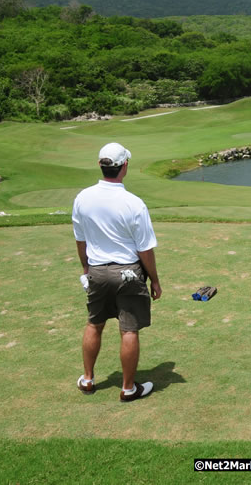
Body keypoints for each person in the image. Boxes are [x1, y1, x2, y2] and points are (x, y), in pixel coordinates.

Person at [72, 142, 162, 402]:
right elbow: (145, 250)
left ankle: (88, 380)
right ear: (124, 166)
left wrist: (87, 269)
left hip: (97, 271)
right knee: (129, 330)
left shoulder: (83, 198)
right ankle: (128, 388)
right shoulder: (134, 203)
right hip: (129, 273)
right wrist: (155, 280)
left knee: (94, 323)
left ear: (101, 165)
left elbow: (81, 242)